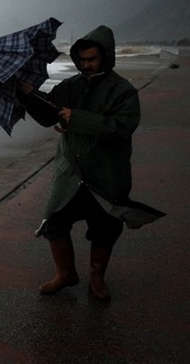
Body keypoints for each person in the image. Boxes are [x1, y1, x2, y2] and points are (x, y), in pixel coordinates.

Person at [18, 25, 140, 302]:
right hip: (70, 171)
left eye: (92, 59)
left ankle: (97, 278)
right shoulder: (70, 86)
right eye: (82, 59)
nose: (86, 65)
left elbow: (121, 127)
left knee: (105, 228)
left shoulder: (123, 91)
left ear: (105, 57)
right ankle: (65, 274)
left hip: (106, 172)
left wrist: (78, 118)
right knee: (54, 222)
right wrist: (28, 94)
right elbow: (49, 114)